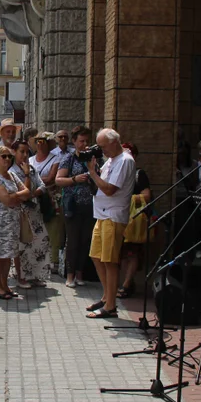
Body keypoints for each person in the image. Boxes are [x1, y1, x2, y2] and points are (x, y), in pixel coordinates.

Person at [85, 129, 136, 319]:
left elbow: (108, 189)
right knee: (96, 256)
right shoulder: (111, 160)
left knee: (110, 261)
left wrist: (92, 173)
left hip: (113, 217)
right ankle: (107, 297)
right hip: (102, 215)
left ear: (115, 142)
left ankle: (111, 306)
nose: (102, 150)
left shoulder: (125, 161)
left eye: (104, 146)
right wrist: (95, 170)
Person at [0, 146, 33, 299]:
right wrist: (15, 196)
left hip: (12, 223)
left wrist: (14, 195)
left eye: (9, 157)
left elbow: (27, 193)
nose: (7, 159)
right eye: (3, 156)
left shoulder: (12, 175)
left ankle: (5, 285)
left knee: (8, 256)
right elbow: (6, 200)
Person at [56, 126, 96, 288]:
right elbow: (59, 180)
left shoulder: (93, 158)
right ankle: (70, 275)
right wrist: (75, 179)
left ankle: (81, 274)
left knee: (85, 241)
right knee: (72, 241)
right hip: (72, 205)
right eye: (81, 141)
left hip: (90, 205)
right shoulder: (69, 158)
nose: (85, 144)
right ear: (74, 141)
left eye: (87, 141)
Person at [11, 139, 50, 288]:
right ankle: (21, 276)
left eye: (27, 152)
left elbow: (42, 185)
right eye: (22, 152)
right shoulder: (12, 171)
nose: (25, 155)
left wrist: (34, 193)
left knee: (40, 242)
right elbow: (21, 194)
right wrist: (27, 176)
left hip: (35, 211)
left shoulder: (32, 168)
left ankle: (35, 275)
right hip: (21, 213)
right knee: (23, 245)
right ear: (15, 152)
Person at [118, 144, 151, 299]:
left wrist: (128, 199)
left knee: (132, 253)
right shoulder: (117, 172)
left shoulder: (139, 174)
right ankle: (127, 283)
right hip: (119, 218)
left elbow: (146, 195)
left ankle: (126, 284)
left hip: (134, 220)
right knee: (123, 254)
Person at [30, 132, 64, 275]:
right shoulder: (30, 159)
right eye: (38, 141)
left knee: (53, 230)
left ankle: (54, 261)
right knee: (34, 230)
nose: (40, 144)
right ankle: (35, 260)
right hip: (33, 199)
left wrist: (33, 181)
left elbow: (51, 178)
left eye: (44, 141)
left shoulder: (55, 159)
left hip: (50, 198)